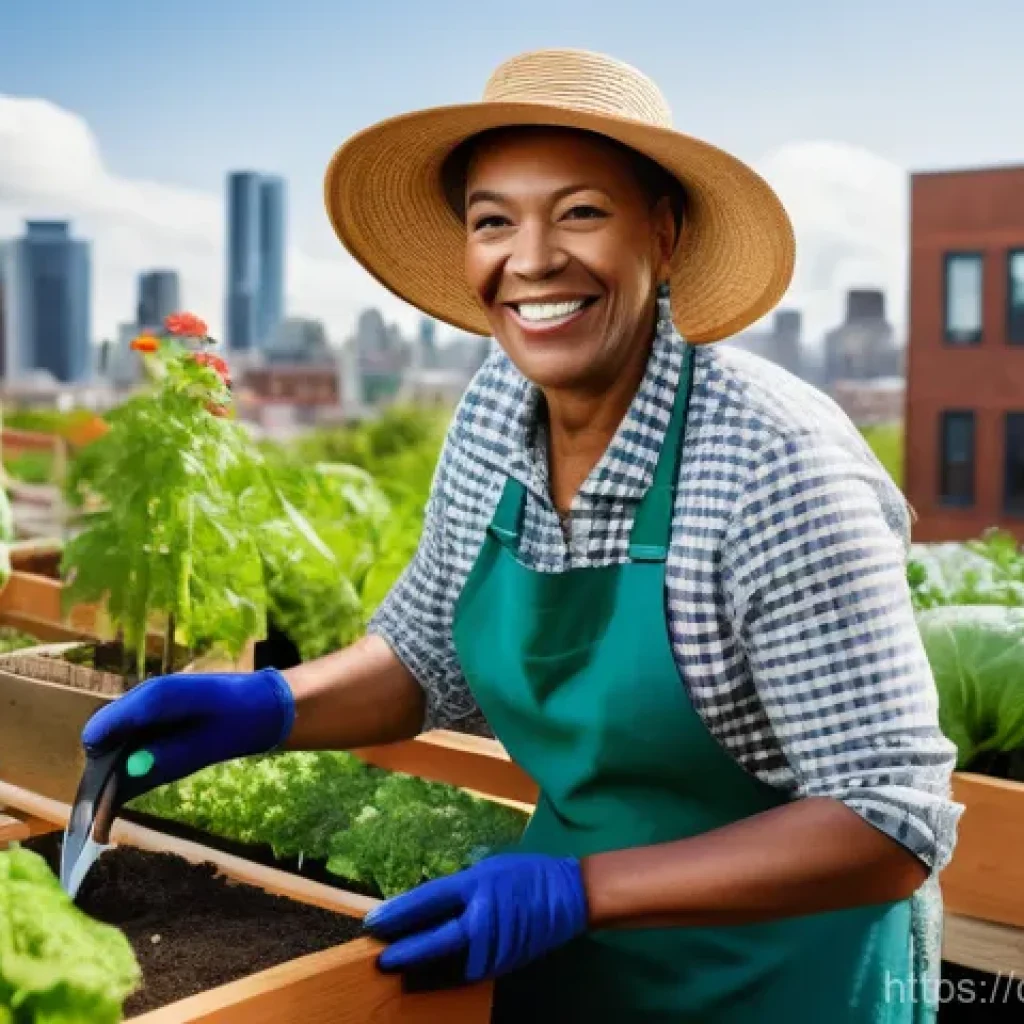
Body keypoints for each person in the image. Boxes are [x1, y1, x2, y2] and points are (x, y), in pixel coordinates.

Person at [82, 49, 960, 1023]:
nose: (532, 258)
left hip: (779, 979)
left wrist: (579, 889)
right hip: (568, 962)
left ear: (662, 236)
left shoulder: (775, 462)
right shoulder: (499, 406)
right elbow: (423, 659)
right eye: (493, 220)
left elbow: (889, 818)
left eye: (580, 212)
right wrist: (265, 705)